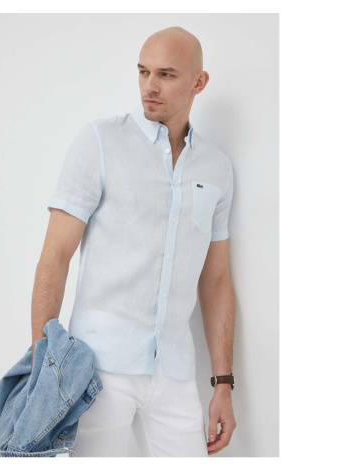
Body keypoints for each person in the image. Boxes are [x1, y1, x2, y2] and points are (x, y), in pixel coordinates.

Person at [31, 26, 237, 457]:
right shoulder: (100, 142)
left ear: (199, 82)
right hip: (97, 369)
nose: (150, 86)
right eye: (143, 72)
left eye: (166, 74)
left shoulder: (216, 168)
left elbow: (216, 280)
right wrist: (42, 362)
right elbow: (56, 255)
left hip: (175, 372)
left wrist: (223, 383)